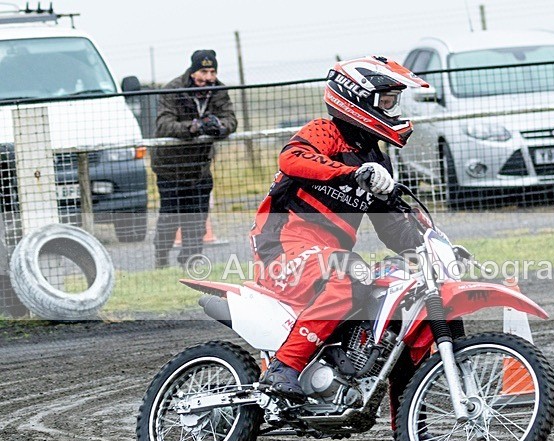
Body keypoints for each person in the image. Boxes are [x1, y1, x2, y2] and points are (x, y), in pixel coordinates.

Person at [250, 56, 429, 402]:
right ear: (358, 99)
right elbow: (292, 159)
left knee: (402, 301)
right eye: (387, 101)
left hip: (330, 254)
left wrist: (430, 245)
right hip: (283, 244)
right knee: (349, 274)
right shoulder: (324, 131)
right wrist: (351, 174)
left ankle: (409, 433)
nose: (393, 109)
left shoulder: (378, 161)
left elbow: (391, 227)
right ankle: (284, 367)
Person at [150, 49, 237, 268]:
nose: (208, 77)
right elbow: (163, 125)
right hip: (170, 167)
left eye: (212, 71)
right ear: (193, 70)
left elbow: (231, 120)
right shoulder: (173, 89)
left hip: (200, 167)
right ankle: (161, 258)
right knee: (170, 218)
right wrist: (194, 127)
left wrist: (218, 126)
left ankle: (190, 261)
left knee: (197, 218)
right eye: (203, 71)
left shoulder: (218, 90)